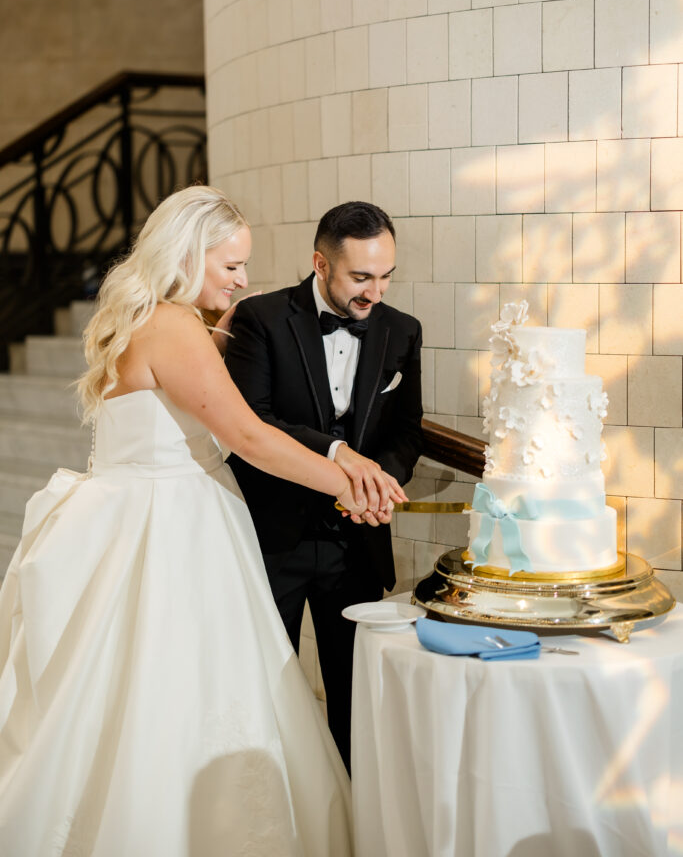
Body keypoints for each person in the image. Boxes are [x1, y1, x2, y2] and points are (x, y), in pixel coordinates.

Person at [0, 185, 402, 856]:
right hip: (169, 533)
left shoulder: (155, 320)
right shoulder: (172, 328)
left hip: (152, 515)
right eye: (231, 265)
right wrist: (348, 484)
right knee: (179, 687)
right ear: (188, 255)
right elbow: (248, 436)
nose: (244, 280)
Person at [225, 201, 423, 770]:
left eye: (386, 277)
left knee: (355, 698)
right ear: (320, 263)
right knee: (269, 690)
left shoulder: (401, 330)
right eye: (361, 277)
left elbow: (406, 431)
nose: (375, 294)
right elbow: (253, 422)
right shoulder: (260, 318)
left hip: (354, 543)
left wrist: (380, 483)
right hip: (272, 537)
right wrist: (342, 461)